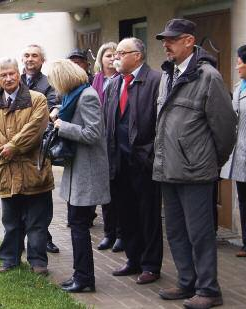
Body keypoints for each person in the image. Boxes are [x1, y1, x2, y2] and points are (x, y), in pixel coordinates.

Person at [154, 19, 237, 309]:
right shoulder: (168, 75)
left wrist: (211, 162)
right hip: (168, 170)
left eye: (172, 39)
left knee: (200, 234)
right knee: (175, 231)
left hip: (196, 172)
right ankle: (187, 282)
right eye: (164, 39)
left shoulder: (208, 77)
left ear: (189, 41)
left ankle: (209, 289)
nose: (166, 44)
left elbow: (226, 129)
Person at [0, 57, 54, 275]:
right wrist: (7, 148)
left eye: (12, 73)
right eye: (3, 75)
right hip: (7, 173)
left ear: (18, 73)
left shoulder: (38, 99)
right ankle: (9, 260)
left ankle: (38, 262)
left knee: (37, 222)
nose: (8, 78)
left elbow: (36, 128)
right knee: (11, 222)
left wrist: (13, 146)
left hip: (34, 171)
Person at [104, 37, 163, 284]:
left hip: (143, 161)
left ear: (137, 55)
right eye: (115, 53)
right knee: (126, 214)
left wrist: (150, 153)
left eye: (121, 53)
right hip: (118, 162)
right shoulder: (114, 83)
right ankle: (133, 259)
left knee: (148, 215)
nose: (116, 57)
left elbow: (162, 122)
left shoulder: (156, 81)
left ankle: (151, 265)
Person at [48, 59, 110, 293]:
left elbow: (94, 133)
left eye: (55, 81)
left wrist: (63, 126)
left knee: (79, 226)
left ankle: (84, 278)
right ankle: (80, 275)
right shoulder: (73, 95)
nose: (54, 86)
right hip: (78, 171)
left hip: (88, 173)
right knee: (76, 225)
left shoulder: (87, 96)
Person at [20, 44, 60, 254]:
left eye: (34, 56)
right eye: (26, 55)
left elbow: (51, 110)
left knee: (42, 194)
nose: (30, 59)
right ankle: (23, 237)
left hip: (39, 147)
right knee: (19, 195)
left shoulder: (49, 84)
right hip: (17, 148)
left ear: (42, 60)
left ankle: (44, 236)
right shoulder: (13, 81)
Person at [221, 44, 246, 261]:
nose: (236, 66)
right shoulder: (240, 87)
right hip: (240, 156)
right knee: (244, 200)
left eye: (238, 62)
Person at [92, 41, 124, 252]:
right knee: (105, 192)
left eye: (115, 55)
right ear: (101, 59)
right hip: (99, 142)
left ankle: (122, 233)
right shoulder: (95, 81)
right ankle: (108, 232)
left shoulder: (123, 80)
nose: (112, 59)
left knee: (120, 191)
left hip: (119, 143)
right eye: (108, 55)